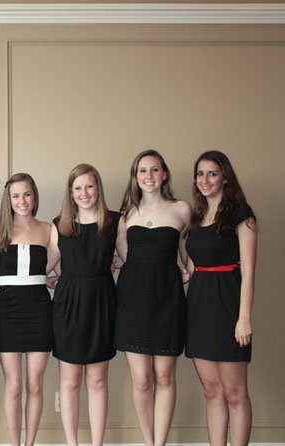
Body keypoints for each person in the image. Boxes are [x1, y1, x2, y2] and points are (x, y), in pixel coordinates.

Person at [113, 149, 191, 446]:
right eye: (142, 171)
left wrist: (189, 270)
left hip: (167, 299)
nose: (149, 176)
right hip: (133, 300)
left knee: (165, 377)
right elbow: (123, 257)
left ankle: (160, 442)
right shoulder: (125, 216)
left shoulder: (181, 209)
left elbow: (188, 255)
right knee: (142, 380)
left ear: (164, 174)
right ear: (136, 177)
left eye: (154, 170)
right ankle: (148, 441)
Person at [185, 150, 256, 446]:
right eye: (200, 174)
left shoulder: (243, 218)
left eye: (212, 173)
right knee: (211, 390)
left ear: (225, 177)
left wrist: (244, 318)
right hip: (198, 308)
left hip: (228, 309)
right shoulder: (196, 217)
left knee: (235, 393)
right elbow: (192, 265)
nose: (205, 180)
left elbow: (249, 271)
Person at [47, 164, 119, 446]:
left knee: (98, 381)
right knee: (70, 381)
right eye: (78, 188)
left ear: (98, 188)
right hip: (69, 305)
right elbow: (46, 263)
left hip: (101, 302)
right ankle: (72, 443)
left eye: (89, 186)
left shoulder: (114, 222)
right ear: (70, 193)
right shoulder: (60, 225)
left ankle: (97, 443)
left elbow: (130, 258)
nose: (84, 193)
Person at [0, 173, 55, 446]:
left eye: (27, 194)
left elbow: (57, 268)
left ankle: (30, 443)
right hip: (8, 311)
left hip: (40, 310)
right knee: (14, 386)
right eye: (16, 196)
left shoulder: (48, 229)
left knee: (36, 385)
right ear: (8, 199)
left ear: (35, 195)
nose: (22, 200)